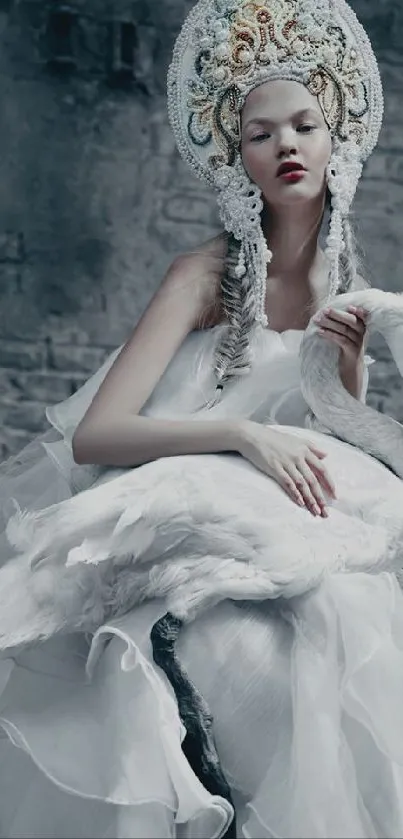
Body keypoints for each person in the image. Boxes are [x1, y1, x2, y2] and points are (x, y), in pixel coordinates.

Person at [0, 0, 403, 837]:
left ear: (337, 140)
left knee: (347, 613)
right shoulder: (201, 276)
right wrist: (241, 432)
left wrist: (349, 364)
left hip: (280, 522)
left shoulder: (345, 287)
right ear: (236, 155)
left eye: (303, 125)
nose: (286, 145)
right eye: (261, 133)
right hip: (179, 498)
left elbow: (337, 439)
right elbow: (96, 435)